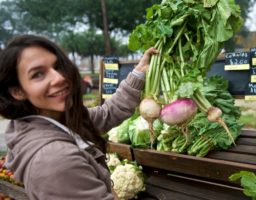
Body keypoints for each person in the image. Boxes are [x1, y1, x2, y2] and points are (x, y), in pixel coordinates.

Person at [0, 34, 158, 199]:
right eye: (38, 74)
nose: (60, 78)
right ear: (17, 91)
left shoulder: (58, 119)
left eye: (57, 66)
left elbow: (107, 113)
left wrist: (139, 73)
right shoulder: (55, 161)